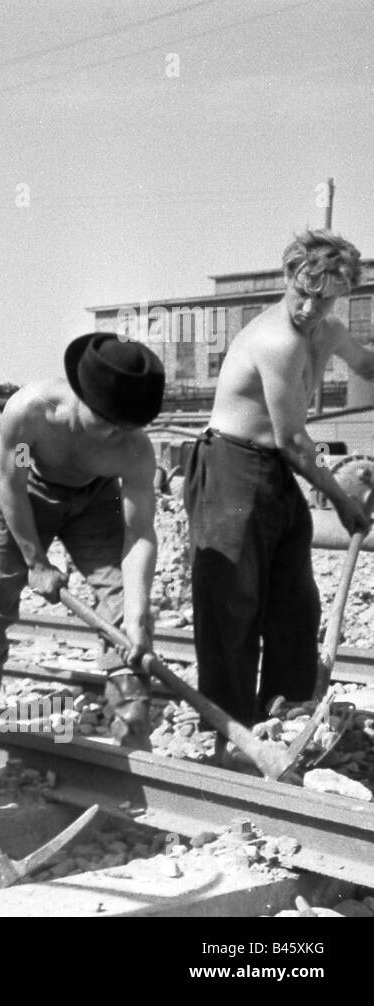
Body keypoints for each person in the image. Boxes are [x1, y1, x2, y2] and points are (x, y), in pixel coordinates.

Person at [187, 230, 374, 745]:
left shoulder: (328, 329)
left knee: (296, 605)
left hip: (275, 471)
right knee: (233, 605)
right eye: (303, 291)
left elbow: (368, 366)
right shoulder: (277, 339)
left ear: (342, 294)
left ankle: (285, 718)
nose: (311, 307)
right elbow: (293, 440)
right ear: (288, 277)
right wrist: (342, 500)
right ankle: (228, 734)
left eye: (326, 296)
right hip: (232, 467)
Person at [0, 333, 165, 735]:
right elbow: (12, 486)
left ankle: (129, 712)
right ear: (82, 396)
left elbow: (139, 533)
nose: (116, 435)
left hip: (93, 501)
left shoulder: (135, 450)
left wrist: (138, 611)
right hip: (25, 493)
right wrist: (36, 563)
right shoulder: (30, 413)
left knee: (123, 603)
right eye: (108, 423)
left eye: (125, 427)